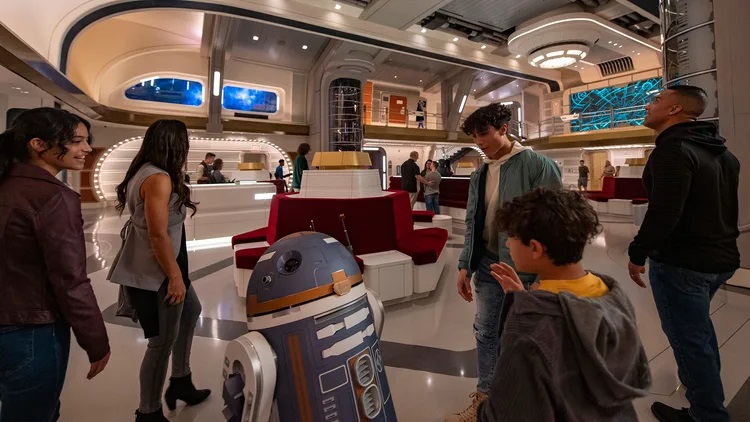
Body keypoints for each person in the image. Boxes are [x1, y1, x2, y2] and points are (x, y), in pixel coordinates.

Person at [478, 188, 651, 421]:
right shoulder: (611, 294)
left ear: (536, 248)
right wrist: (522, 298)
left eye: (511, 236)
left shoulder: (529, 329)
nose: (507, 244)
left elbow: (509, 411)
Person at [627, 85, 740, 422]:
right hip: (720, 260)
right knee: (698, 339)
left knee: (691, 345)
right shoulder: (723, 153)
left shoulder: (673, 150)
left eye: (657, 100)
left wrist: (638, 253)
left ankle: (707, 416)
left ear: (675, 110)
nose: (650, 105)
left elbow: (664, 212)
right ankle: (703, 409)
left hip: (683, 264)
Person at [447, 103, 561, 422]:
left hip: (524, 269)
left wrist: (544, 275)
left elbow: (555, 224)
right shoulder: (480, 173)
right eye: (473, 136)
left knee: (527, 338)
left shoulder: (538, 165)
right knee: (485, 331)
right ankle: (486, 401)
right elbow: (472, 222)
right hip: (487, 264)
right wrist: (464, 265)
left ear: (503, 130)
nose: (479, 141)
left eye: (484, 133)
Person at [0, 108, 111, 421]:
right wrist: (96, 341)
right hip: (31, 332)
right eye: (76, 141)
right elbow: (69, 278)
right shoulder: (53, 197)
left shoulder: (7, 184)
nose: (87, 149)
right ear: (39, 144)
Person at [108, 120, 210, 422]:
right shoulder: (158, 178)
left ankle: (180, 381)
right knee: (161, 342)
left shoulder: (145, 171)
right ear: (175, 144)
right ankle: (148, 411)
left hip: (165, 265)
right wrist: (175, 277)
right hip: (157, 272)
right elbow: (157, 234)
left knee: (191, 311)